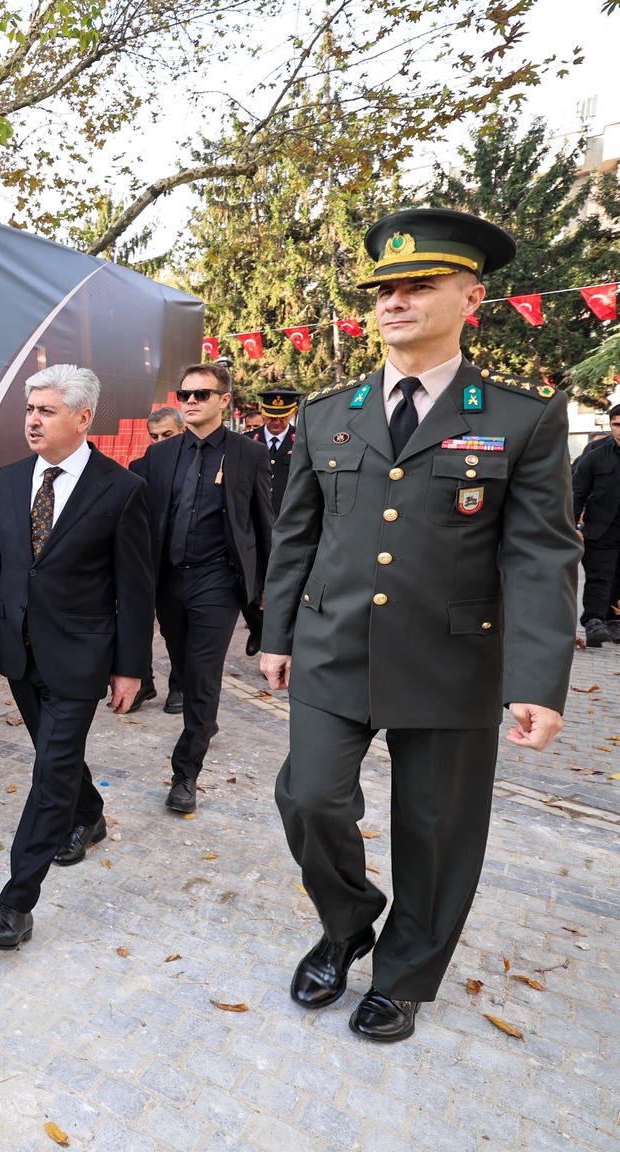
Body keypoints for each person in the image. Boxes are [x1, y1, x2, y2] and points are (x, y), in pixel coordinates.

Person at [261, 207, 580, 1043]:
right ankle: (346, 918)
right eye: (384, 289)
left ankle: (404, 974)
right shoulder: (326, 413)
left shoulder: (521, 417)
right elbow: (298, 533)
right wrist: (276, 635)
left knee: (435, 832)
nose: (394, 302)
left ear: (471, 296)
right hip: (334, 648)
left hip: (452, 659)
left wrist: (537, 682)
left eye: (418, 285)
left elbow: (541, 557)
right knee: (307, 796)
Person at [0, 365, 153, 948]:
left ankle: (14, 905)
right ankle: (90, 813)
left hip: (82, 656)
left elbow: (135, 589)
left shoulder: (122, 489)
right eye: (29, 410)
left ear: (83, 417)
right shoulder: (9, 482)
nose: (32, 420)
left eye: (47, 411)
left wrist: (132, 666)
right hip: (18, 652)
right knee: (54, 756)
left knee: (50, 770)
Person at [140, 363, 274, 812]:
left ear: (224, 401)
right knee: (181, 662)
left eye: (202, 394)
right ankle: (203, 718)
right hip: (169, 579)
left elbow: (262, 524)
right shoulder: (160, 456)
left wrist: (269, 589)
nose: (191, 401)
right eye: (185, 394)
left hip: (217, 579)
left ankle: (186, 773)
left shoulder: (248, 454)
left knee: (201, 671)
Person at [129, 407, 184, 713]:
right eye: (154, 436)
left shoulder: (197, 466)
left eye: (167, 435)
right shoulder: (138, 467)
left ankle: (179, 685)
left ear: (182, 432)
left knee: (175, 628)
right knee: (136, 626)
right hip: (144, 561)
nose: (160, 441)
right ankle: (142, 683)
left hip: (179, 563)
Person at [241, 387, 301, 654]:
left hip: (288, 521)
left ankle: (277, 637)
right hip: (252, 522)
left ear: (293, 413)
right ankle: (258, 629)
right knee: (248, 581)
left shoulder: (301, 442)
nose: (276, 422)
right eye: (271, 416)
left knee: (284, 581)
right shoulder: (246, 441)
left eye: (282, 416)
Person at [573, 403, 620, 647]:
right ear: (610, 425)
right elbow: (577, 492)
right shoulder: (595, 454)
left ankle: (615, 621)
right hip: (601, 528)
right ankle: (593, 622)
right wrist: (571, 525)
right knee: (599, 576)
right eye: (617, 425)